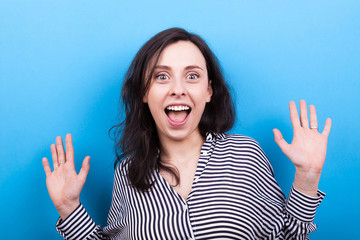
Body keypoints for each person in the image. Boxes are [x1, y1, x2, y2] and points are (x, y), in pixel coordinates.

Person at [42, 28, 332, 240]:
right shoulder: (128, 173)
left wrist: (307, 177)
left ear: (209, 91)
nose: (177, 89)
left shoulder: (246, 155)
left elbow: (289, 235)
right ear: (144, 93)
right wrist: (69, 209)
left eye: (192, 76)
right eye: (161, 76)